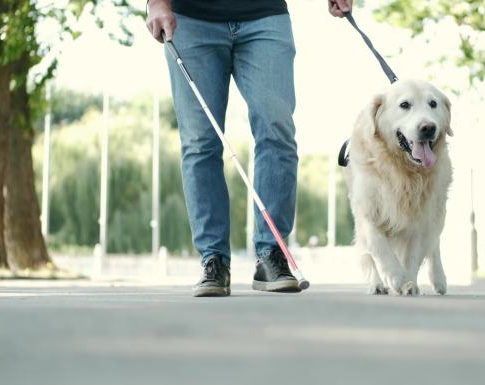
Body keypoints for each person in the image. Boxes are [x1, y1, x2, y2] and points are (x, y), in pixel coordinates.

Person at [146, 0, 354, 297]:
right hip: (190, 21)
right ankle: (213, 259)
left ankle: (271, 254)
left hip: (264, 16)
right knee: (200, 141)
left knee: (276, 129)